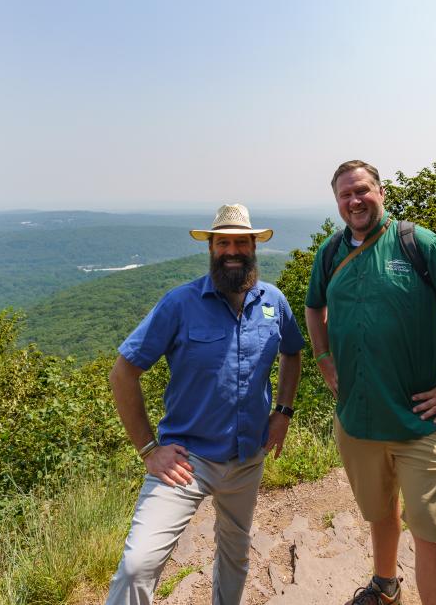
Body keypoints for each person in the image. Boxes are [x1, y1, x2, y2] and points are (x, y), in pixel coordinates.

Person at [305, 161, 436, 605]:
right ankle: (385, 586)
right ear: (337, 202)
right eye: (345, 194)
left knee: (430, 533)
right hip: (358, 420)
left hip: (419, 423)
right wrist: (323, 357)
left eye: (363, 190)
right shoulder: (331, 253)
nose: (355, 200)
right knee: (379, 513)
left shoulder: (415, 242)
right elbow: (315, 307)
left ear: (381, 192)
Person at [104, 204, 304, 605]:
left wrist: (282, 413)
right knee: (137, 565)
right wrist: (148, 450)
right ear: (211, 248)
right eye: (223, 242)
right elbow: (122, 375)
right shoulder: (179, 304)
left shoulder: (273, 301)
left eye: (241, 242)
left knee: (235, 554)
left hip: (248, 457)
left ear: (253, 247)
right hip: (185, 461)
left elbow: (293, 353)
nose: (233, 250)